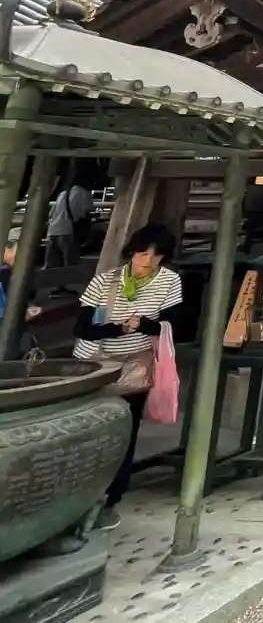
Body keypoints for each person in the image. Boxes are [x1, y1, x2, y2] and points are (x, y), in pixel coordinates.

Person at [72, 224, 184, 530]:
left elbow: (173, 325)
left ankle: (111, 498)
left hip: (135, 365)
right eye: (142, 253)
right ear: (132, 252)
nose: (148, 260)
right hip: (94, 363)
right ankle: (78, 496)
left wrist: (145, 325)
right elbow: (82, 328)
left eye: (156, 255)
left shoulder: (169, 281)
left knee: (125, 430)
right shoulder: (105, 281)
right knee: (88, 431)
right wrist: (118, 328)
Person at [46, 171, 95, 270]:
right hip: (68, 231)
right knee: (70, 266)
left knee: (51, 267)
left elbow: (51, 213)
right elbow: (87, 212)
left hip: (52, 231)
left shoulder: (63, 194)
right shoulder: (84, 193)